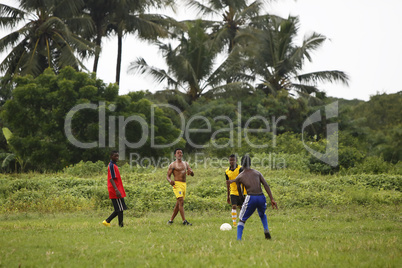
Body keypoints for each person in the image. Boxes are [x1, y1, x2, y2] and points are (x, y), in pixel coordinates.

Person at [227, 155, 278, 240]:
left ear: (241, 164)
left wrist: (242, 199)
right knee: (262, 214)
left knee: (242, 219)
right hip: (261, 197)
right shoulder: (257, 173)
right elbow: (265, 185)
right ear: (250, 163)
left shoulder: (240, 176)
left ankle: (238, 239)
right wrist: (272, 199)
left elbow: (238, 189)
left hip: (251, 197)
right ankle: (266, 229)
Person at [166, 148, 194, 226]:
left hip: (184, 184)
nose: (180, 154)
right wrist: (170, 181)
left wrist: (191, 172)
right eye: (178, 153)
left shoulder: (186, 164)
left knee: (178, 203)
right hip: (176, 184)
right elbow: (168, 176)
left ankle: (171, 220)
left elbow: (192, 174)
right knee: (181, 201)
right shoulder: (172, 165)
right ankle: (184, 221)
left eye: (181, 153)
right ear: (175, 155)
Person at [102, 150, 127, 227]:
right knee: (119, 208)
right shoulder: (111, 165)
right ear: (111, 156)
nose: (117, 157)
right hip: (115, 189)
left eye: (118, 156)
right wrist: (116, 190)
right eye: (115, 156)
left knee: (120, 208)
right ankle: (118, 224)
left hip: (117, 189)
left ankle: (108, 221)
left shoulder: (114, 165)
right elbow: (111, 179)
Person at [225, 154, 247, 227]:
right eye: (230, 160)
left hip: (241, 191)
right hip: (233, 191)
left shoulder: (240, 169)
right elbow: (228, 184)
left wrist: (233, 181)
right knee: (234, 206)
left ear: (236, 160)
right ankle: (234, 223)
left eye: (233, 160)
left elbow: (242, 179)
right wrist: (228, 196)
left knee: (242, 208)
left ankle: (242, 222)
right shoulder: (227, 171)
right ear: (229, 161)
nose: (232, 162)